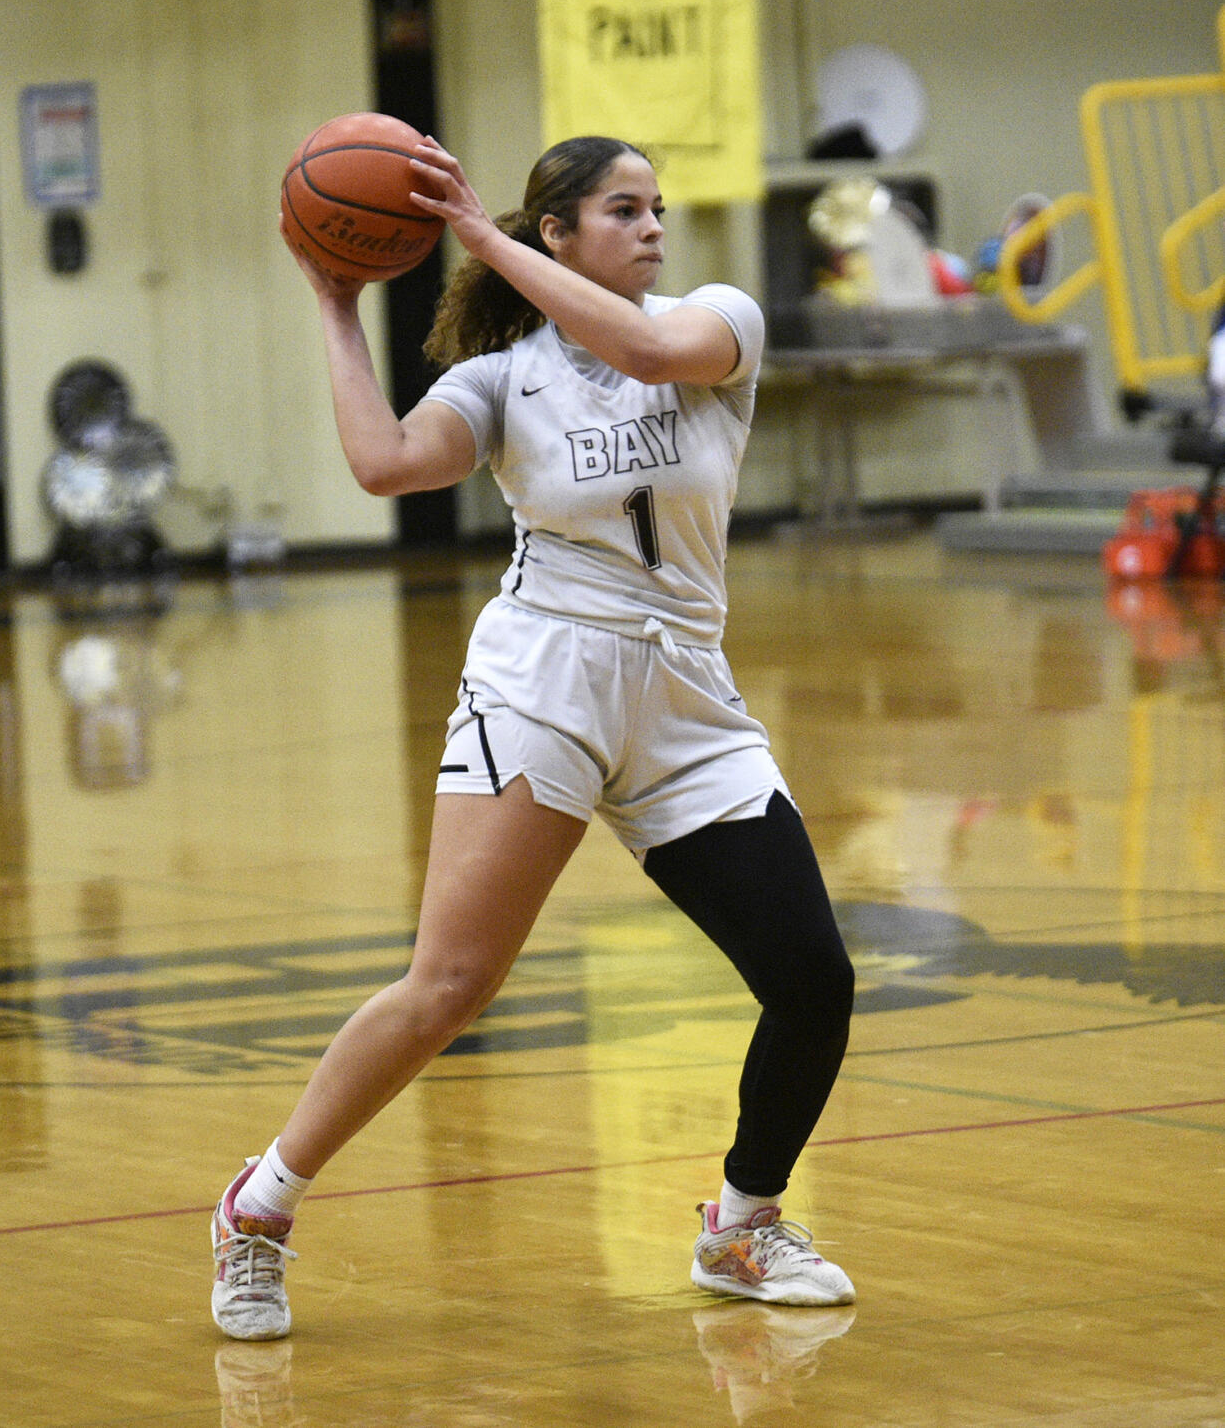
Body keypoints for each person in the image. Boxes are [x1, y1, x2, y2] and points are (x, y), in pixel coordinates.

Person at [211, 134, 856, 1341]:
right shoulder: (504, 377)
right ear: (561, 232)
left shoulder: (714, 323)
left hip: (684, 700)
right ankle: (259, 1205)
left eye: (656, 207)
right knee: (449, 985)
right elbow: (383, 463)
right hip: (542, 681)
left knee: (811, 977)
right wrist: (336, 309)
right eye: (624, 209)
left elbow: (645, 345)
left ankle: (742, 1223)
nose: (653, 226)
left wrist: (483, 240)